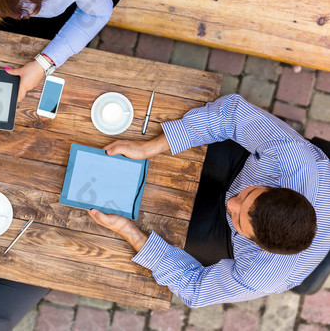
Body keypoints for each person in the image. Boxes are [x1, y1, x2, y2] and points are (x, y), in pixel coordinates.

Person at [88, 94, 330, 307]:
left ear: (256, 245)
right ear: (275, 186)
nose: (231, 204)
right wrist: (148, 149)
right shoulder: (289, 156)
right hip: (240, 167)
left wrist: (129, 232)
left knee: (165, 226)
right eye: (248, 195)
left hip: (222, 235)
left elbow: (195, 287)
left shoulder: (260, 274)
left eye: (238, 218)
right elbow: (232, 114)